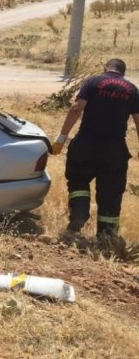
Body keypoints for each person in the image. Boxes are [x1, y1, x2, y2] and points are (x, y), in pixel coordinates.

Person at [51, 58, 139, 240]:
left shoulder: (93, 82)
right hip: (115, 149)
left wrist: (61, 138)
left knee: (78, 178)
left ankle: (79, 214)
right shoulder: (132, 89)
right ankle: (106, 235)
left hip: (86, 143)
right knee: (111, 192)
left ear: (105, 68)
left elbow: (76, 108)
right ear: (123, 72)